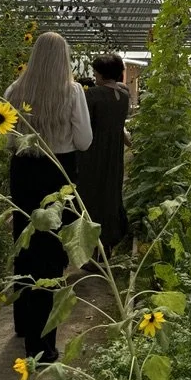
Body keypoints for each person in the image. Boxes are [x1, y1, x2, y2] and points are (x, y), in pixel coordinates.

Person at [5, 32, 92, 362]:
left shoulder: (15, 91)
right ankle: (43, 346)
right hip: (58, 171)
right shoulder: (71, 92)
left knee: (24, 244)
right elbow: (84, 140)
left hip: (24, 170)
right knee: (52, 253)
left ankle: (24, 325)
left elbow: (8, 141)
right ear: (64, 58)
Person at [75, 55, 131, 254]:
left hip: (93, 151)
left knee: (91, 195)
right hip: (114, 152)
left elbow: (84, 125)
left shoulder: (93, 95)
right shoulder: (123, 96)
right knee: (111, 192)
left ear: (101, 73)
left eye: (95, 72)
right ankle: (110, 241)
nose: (94, 75)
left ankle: (93, 250)